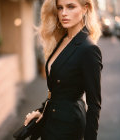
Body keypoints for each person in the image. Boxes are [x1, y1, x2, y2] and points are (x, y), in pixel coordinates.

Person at [24, 0, 103, 139]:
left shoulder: (89, 49)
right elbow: (58, 91)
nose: (64, 13)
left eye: (71, 7)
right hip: (51, 120)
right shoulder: (64, 39)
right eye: (60, 8)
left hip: (69, 126)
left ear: (85, 9)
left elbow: (94, 105)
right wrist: (42, 111)